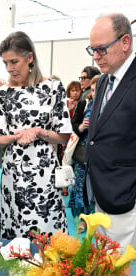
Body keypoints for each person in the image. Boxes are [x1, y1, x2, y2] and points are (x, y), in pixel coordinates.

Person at [0, 31, 72, 239]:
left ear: (30, 58)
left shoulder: (53, 88)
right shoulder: (0, 93)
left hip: (45, 173)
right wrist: (16, 136)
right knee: (16, 229)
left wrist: (38, 132)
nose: (9, 68)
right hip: (14, 174)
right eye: (5, 63)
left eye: (14, 61)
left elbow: (63, 136)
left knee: (46, 229)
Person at [86, 13, 136, 250]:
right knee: (102, 273)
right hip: (101, 194)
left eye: (102, 49)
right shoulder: (105, 80)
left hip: (126, 199)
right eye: (92, 50)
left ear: (125, 42)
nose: (96, 57)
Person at [69, 75, 99, 233]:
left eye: (98, 90)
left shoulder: (108, 106)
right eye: (93, 90)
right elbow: (73, 124)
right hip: (83, 153)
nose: (95, 93)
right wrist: (81, 127)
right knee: (80, 187)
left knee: (96, 188)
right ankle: (82, 219)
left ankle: (93, 218)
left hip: (101, 155)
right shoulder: (84, 103)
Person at [59, 80, 82, 196]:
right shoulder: (66, 103)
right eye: (73, 90)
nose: (75, 93)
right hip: (66, 136)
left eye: (77, 90)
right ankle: (64, 187)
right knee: (65, 160)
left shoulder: (83, 103)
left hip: (77, 136)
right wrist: (69, 109)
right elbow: (62, 120)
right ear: (69, 92)